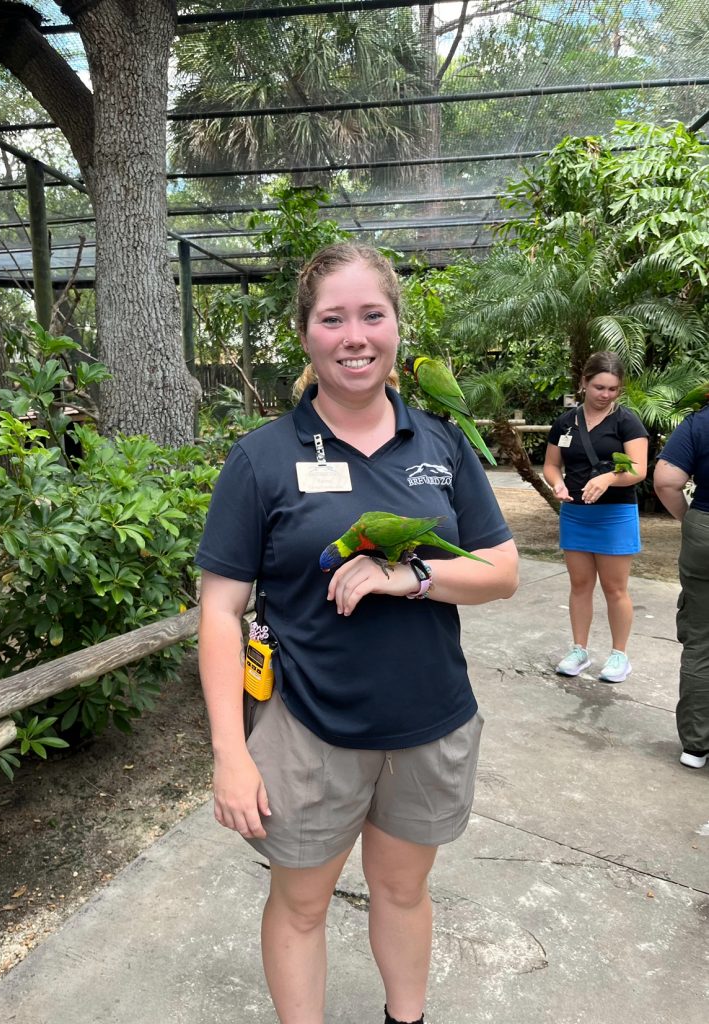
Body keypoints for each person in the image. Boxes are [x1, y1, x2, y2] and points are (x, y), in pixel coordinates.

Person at [195, 242, 519, 1024]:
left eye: (371, 315)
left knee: (404, 890)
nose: (354, 336)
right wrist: (230, 755)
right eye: (332, 318)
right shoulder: (262, 458)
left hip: (429, 719)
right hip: (308, 729)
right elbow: (217, 611)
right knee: (301, 905)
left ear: (396, 328)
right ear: (305, 335)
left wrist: (407, 577)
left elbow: (501, 571)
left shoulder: (439, 446)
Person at [543, 351, 648, 682]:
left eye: (612, 389)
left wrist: (608, 478)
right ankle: (579, 650)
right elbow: (550, 465)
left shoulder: (627, 422)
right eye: (599, 387)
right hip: (575, 513)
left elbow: (639, 470)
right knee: (580, 585)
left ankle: (619, 656)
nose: (605, 395)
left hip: (615, 515)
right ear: (584, 383)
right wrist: (557, 484)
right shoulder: (565, 423)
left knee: (615, 588)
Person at [653, 402, 709, 769]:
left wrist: (691, 519)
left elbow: (666, 480)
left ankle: (695, 745)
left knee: (702, 638)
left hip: (705, 525)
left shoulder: (700, 422)